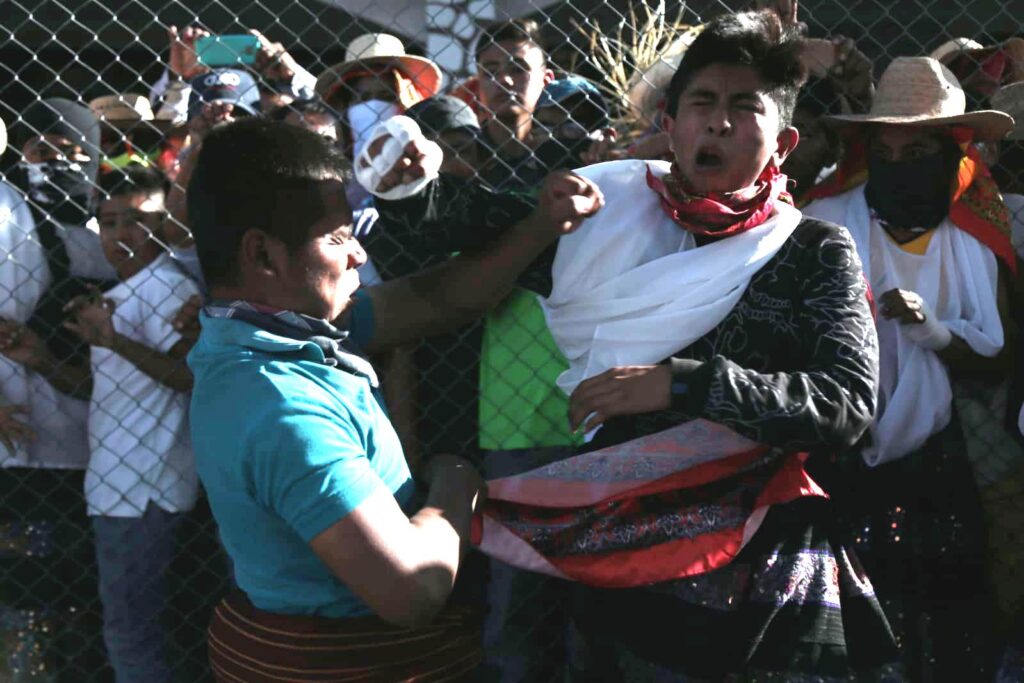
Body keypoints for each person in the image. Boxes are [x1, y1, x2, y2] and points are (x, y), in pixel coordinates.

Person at [369, 10, 898, 679]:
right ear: (670, 124)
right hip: (626, 568)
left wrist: (684, 381)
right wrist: (408, 182)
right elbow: (466, 220)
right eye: (701, 104)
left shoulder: (812, 250)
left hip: (763, 573)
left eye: (745, 108)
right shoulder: (605, 207)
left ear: (785, 142)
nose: (719, 123)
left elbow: (847, 401)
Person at [183, 118, 602, 681]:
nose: (358, 254)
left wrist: (541, 225)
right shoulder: (282, 409)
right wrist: (455, 485)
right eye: (337, 238)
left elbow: (440, 298)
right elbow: (411, 588)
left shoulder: (269, 338)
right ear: (263, 256)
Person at [803, 56, 1018, 681]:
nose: (900, 166)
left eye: (918, 149)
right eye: (886, 152)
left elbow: (997, 359)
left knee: (948, 604)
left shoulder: (979, 236)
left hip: (947, 451)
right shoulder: (823, 223)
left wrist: (932, 331)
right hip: (838, 443)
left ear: (952, 153)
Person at [30, 165, 198, 683]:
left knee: (131, 635)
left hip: (146, 488)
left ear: (166, 223)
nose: (121, 235)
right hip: (119, 488)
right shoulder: (121, 294)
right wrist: (39, 358)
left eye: (137, 220)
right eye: (108, 222)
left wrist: (114, 342)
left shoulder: (166, 285)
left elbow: (190, 376)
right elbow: (98, 388)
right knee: (132, 630)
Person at [473, 19, 554, 190]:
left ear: (546, 80)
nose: (504, 80)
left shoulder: (562, 155)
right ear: (478, 82)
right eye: (491, 72)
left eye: (518, 69)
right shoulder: (463, 156)